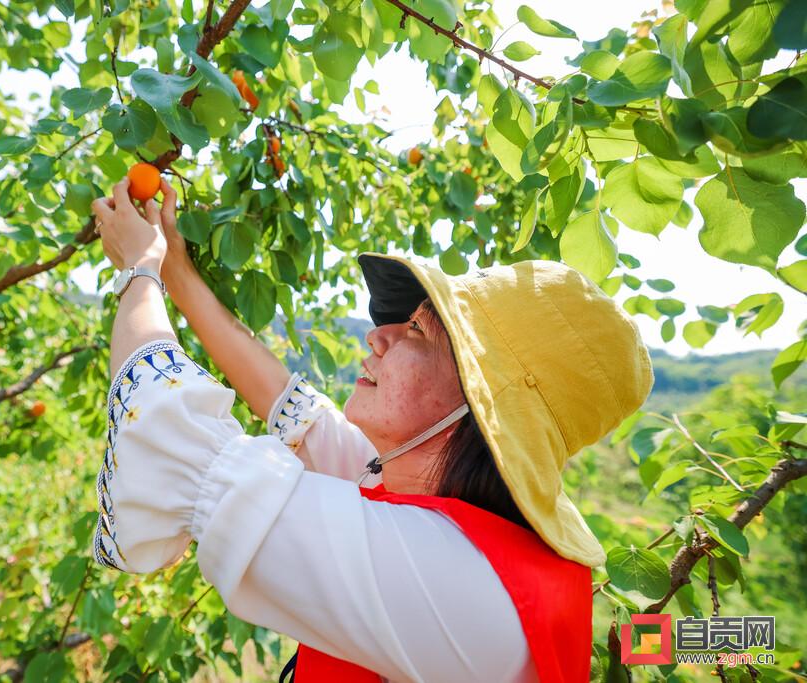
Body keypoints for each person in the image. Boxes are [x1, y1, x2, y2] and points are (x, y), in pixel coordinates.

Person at [89, 176, 654, 683]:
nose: (378, 336)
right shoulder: (422, 488)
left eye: (419, 332)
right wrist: (175, 270)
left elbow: (170, 432)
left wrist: (139, 273)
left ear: (484, 409)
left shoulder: (465, 585)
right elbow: (285, 401)